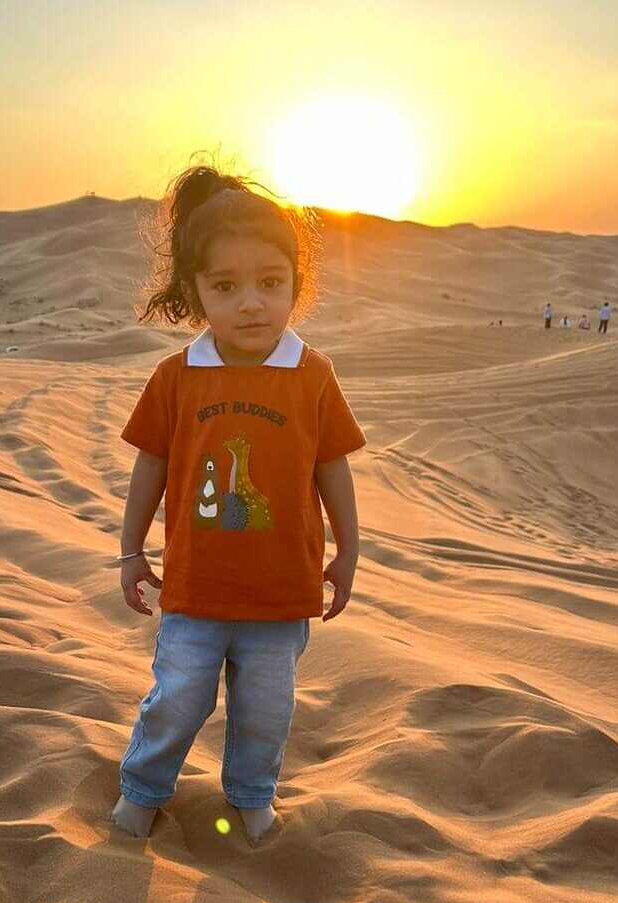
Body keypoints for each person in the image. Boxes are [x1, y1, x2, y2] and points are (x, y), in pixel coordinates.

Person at [110, 163, 366, 847]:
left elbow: (331, 467)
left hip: (281, 594)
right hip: (195, 590)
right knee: (177, 700)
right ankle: (142, 791)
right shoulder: (176, 376)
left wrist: (349, 552)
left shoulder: (313, 374)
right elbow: (151, 469)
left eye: (270, 283)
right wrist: (131, 550)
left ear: (295, 286)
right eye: (226, 287)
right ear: (194, 292)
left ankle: (251, 796)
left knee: (265, 710)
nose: (251, 303)